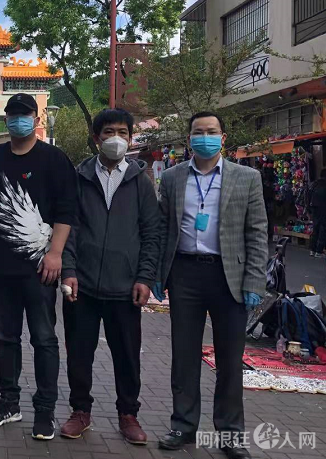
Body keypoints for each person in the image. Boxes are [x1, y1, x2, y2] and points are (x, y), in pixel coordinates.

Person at [152, 112, 268, 459]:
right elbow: (162, 228)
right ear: (189, 139)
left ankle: (231, 435)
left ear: (223, 137)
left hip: (228, 277)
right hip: (184, 275)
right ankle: (183, 426)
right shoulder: (172, 178)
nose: (205, 137)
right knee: (184, 356)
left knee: (229, 361)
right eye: (198, 132)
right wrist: (158, 273)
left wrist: (254, 281)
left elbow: (257, 232)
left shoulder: (247, 178)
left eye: (211, 131)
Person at [0, 93, 78, 441]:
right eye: (13, 114)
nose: (19, 120)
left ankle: (44, 411)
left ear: (36, 119)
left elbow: (66, 211)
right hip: (1, 268)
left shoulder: (54, 159)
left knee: (44, 339)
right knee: (6, 338)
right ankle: (9, 403)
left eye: (25, 114)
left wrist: (56, 253)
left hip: (40, 270)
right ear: (6, 119)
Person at [60, 108, 160, 444]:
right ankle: (80, 411)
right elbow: (68, 228)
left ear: (130, 139)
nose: (115, 138)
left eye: (122, 132)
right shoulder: (80, 177)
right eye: (108, 132)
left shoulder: (140, 181)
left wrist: (145, 277)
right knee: (79, 353)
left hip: (125, 286)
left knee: (127, 356)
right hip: (83, 286)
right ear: (96, 138)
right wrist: (69, 270)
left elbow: (151, 233)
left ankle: (128, 415)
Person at [308, 169, 326, 257]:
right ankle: (319, 251)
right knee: (323, 229)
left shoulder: (314, 184)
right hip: (323, 209)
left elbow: (308, 195)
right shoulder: (324, 184)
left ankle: (312, 250)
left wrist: (309, 209)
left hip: (314, 209)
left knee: (315, 229)